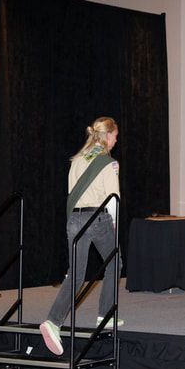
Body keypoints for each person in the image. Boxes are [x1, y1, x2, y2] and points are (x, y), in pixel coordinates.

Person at [39, 116, 123, 356]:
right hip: (97, 218)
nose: (116, 141)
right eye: (115, 136)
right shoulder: (108, 163)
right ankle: (105, 316)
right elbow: (113, 200)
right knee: (115, 261)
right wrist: (114, 226)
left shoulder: (77, 159)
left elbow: (70, 193)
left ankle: (53, 321)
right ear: (107, 136)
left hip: (74, 218)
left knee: (76, 273)